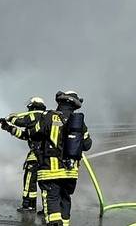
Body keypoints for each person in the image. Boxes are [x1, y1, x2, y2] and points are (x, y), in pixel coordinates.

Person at [31, 90, 92, 226]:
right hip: (71, 173)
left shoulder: (48, 116)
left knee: (52, 203)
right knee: (65, 200)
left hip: (49, 171)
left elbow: (34, 133)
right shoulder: (79, 122)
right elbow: (87, 144)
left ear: (60, 101)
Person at [0, 97, 46, 212]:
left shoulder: (34, 115)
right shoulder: (45, 118)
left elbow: (21, 122)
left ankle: (29, 205)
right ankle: (48, 209)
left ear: (33, 106)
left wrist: (11, 117)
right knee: (46, 184)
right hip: (47, 157)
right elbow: (26, 135)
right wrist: (9, 128)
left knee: (29, 181)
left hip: (36, 156)